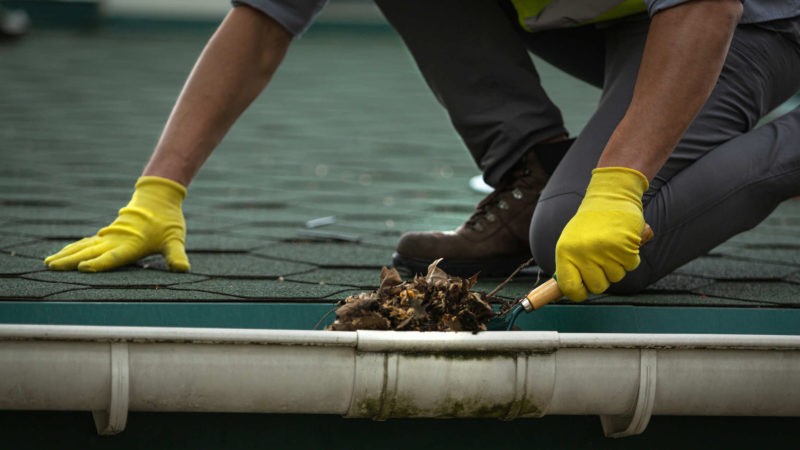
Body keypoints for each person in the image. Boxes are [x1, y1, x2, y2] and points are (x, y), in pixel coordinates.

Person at [45, 0, 800, 304]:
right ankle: (532, 169)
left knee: (583, 242)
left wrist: (618, 184)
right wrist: (158, 192)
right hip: (603, 14)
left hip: (736, 26)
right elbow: (264, 18)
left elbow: (707, 6)